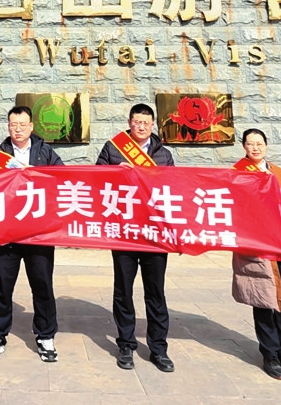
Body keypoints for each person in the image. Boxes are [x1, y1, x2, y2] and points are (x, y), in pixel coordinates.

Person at [95, 103, 176, 372]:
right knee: (123, 290)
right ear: (129, 123)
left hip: (154, 233)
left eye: (146, 123)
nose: (141, 127)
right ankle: (126, 345)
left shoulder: (164, 155)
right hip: (125, 231)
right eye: (137, 122)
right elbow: (95, 181)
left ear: (153, 125)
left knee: (155, 293)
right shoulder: (113, 149)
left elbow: (174, 190)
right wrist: (114, 172)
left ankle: (158, 349)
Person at [0, 105, 65, 363]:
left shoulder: (46, 153)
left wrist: (36, 176)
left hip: (38, 233)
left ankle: (45, 336)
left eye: (22, 125)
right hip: (6, 233)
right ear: (8, 127)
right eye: (13, 125)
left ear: (31, 127)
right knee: (1, 286)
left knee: (42, 285)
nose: (17, 129)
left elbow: (62, 180)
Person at [230, 128, 281, 381]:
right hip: (255, 251)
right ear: (244, 147)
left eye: (259, 143)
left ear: (266, 146)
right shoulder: (236, 175)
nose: (255, 148)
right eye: (250, 143)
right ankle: (270, 356)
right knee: (263, 303)